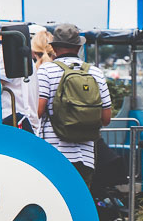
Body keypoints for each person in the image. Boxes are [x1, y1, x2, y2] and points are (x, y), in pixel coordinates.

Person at [37, 23, 112, 188]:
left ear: (54, 48)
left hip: (53, 153)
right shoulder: (96, 73)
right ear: (79, 47)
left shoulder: (46, 71)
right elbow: (106, 118)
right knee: (79, 207)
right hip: (85, 156)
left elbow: (39, 110)